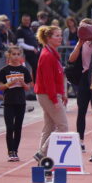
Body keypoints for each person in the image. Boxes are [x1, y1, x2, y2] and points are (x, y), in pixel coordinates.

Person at [33, 25, 69, 163]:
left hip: (50, 93)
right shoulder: (47, 55)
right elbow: (48, 80)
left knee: (49, 127)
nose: (60, 38)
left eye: (60, 35)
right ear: (48, 38)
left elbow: (58, 76)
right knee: (63, 126)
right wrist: (55, 99)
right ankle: (42, 152)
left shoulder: (53, 53)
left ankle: (42, 159)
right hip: (47, 94)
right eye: (57, 35)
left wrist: (62, 93)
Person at [0, 45, 33, 161]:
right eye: (13, 54)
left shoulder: (24, 70)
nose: (16, 57)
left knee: (18, 127)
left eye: (18, 54)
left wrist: (23, 84)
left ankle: (15, 151)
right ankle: (10, 151)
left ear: (21, 56)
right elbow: (0, 87)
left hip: (20, 102)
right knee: (10, 127)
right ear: (8, 55)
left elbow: (28, 87)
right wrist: (10, 84)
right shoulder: (4, 70)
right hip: (8, 102)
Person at [67, 24, 92, 151]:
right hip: (85, 78)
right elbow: (71, 59)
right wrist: (80, 43)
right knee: (82, 110)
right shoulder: (82, 43)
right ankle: (80, 140)